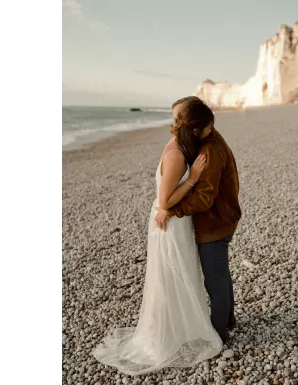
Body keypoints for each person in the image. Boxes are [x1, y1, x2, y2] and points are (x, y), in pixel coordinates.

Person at [91, 96, 223, 376]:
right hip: (170, 223)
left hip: (174, 223)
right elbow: (165, 203)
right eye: (209, 127)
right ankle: (168, 336)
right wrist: (193, 178)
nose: (213, 131)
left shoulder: (182, 146)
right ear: (197, 129)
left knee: (177, 274)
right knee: (174, 275)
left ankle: (178, 327)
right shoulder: (176, 154)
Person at [155, 96, 242, 345]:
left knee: (214, 280)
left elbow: (204, 199)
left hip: (215, 224)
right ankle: (227, 320)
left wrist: (171, 211)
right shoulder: (205, 139)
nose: (212, 128)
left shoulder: (208, 149)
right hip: (222, 219)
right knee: (221, 275)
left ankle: (218, 335)